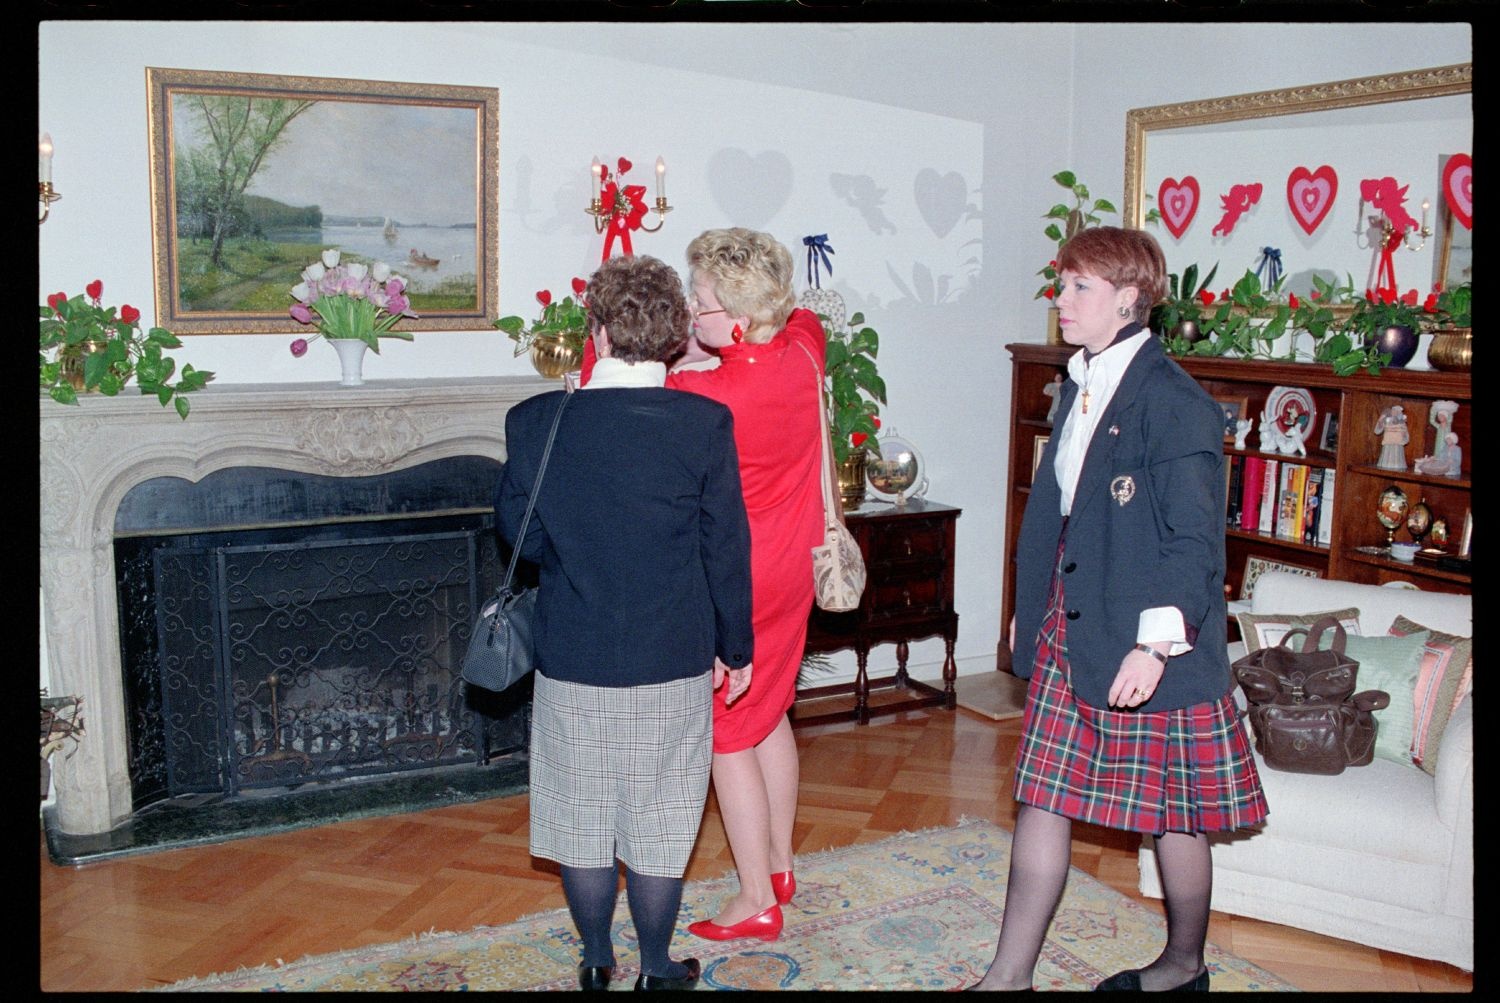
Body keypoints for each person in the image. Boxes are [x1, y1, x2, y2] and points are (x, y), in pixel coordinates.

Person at [969, 227, 1268, 992]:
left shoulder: (1176, 405)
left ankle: (1183, 963)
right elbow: (1059, 511)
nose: (1060, 300)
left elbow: (1195, 543)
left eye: (1079, 288)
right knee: (1043, 790)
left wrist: (1155, 646)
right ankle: (1009, 977)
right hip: (1075, 612)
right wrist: (1027, 606)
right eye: (1061, 284)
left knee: (1172, 812)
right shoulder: (1080, 382)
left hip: (1151, 629)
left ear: (1129, 299)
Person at [495, 253, 754, 993]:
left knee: (579, 815)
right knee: (661, 818)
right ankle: (657, 968)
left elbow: (519, 537)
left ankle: (597, 959)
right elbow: (724, 546)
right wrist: (736, 645)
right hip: (671, 652)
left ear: (598, 330)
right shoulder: (704, 424)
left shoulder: (536, 422)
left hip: (572, 650)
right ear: (674, 337)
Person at [579, 228, 827, 944]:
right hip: (795, 568)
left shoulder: (705, 394)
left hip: (739, 580)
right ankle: (780, 863)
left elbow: (628, 375)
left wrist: (672, 350)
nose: (692, 310)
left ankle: (755, 897)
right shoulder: (803, 351)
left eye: (704, 301)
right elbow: (799, 315)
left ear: (740, 318)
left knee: (728, 733)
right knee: (771, 710)